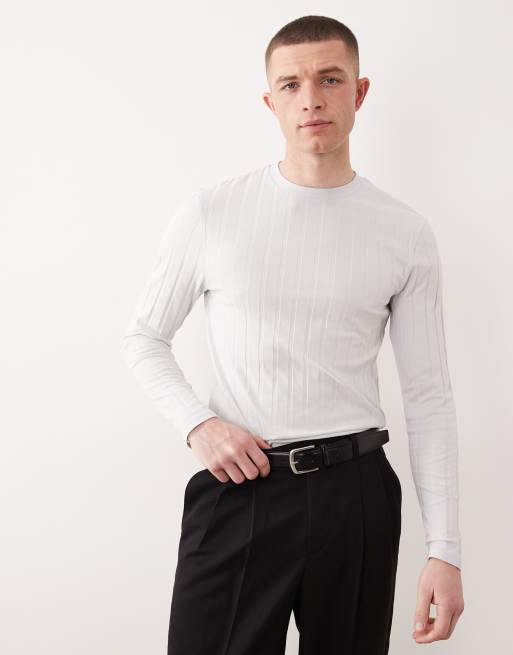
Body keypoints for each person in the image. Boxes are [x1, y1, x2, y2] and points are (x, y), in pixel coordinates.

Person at [121, 14, 464, 654]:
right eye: (291, 84)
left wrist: (445, 550)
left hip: (355, 495)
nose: (311, 99)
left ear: (359, 91)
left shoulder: (405, 233)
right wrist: (199, 424)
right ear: (270, 101)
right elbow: (143, 337)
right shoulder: (213, 212)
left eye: (330, 79)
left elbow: (429, 396)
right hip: (240, 489)